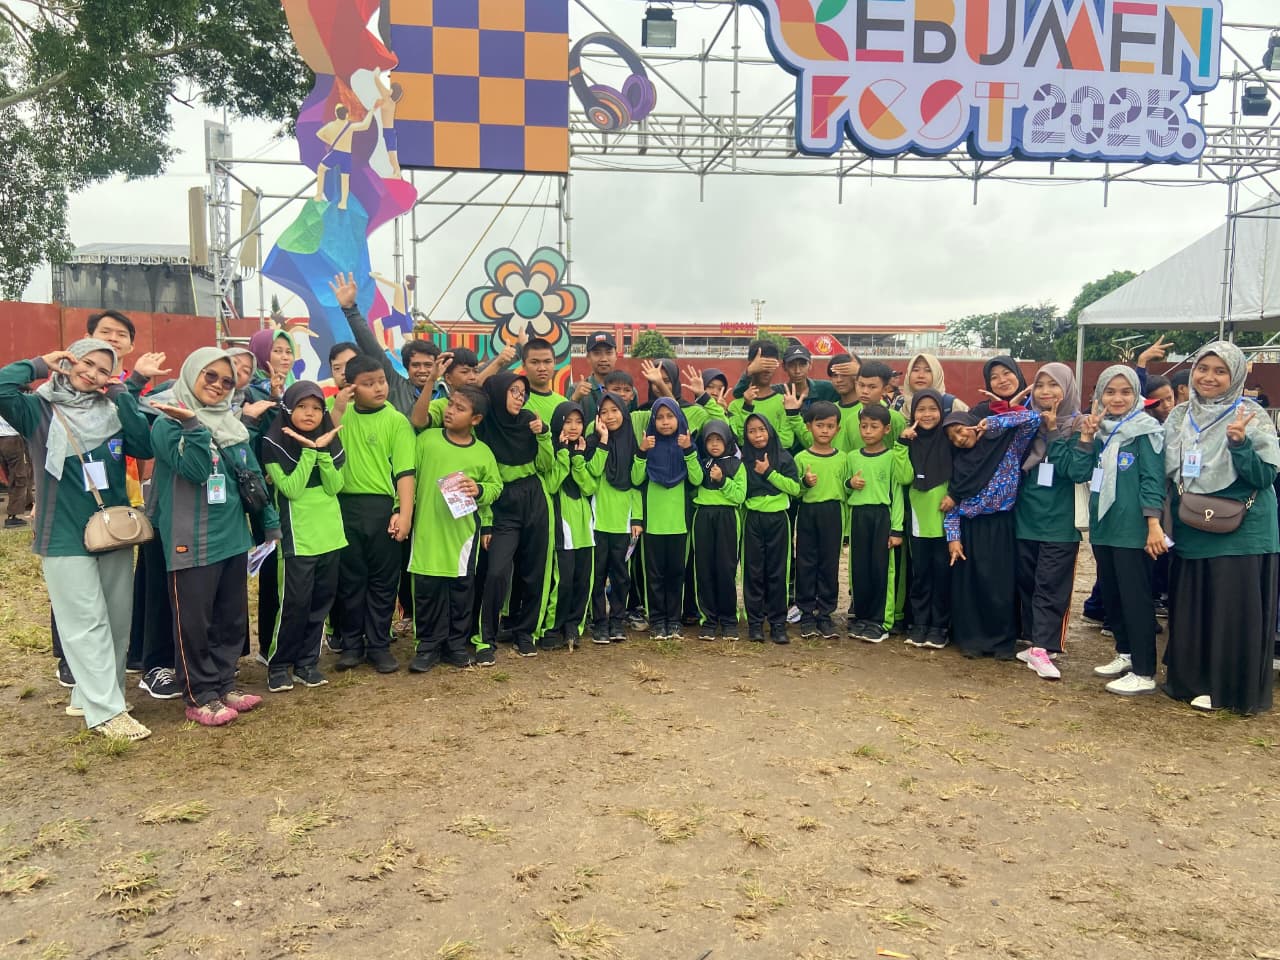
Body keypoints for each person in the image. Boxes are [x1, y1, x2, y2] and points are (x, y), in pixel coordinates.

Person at [0, 340, 154, 740]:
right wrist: (39, 363)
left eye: (104, 369)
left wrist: (122, 393)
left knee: (116, 620)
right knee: (85, 623)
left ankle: (96, 696)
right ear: (69, 360)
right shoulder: (38, 410)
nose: (93, 374)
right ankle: (107, 713)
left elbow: (143, 444)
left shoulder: (112, 411)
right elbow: (2, 388)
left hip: (113, 530)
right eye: (87, 363)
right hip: (63, 534)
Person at [149, 348, 279, 727]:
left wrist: (269, 522)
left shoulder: (231, 426)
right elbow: (195, 470)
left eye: (226, 381)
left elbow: (250, 474)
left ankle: (223, 684)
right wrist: (192, 426)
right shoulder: (168, 423)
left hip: (233, 536)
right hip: (191, 538)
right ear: (192, 373)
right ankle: (200, 695)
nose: (219, 386)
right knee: (194, 622)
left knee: (230, 619)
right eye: (210, 376)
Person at [1164, 342, 1280, 714]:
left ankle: (1225, 688)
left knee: (1231, 608)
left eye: (1220, 371)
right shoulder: (1180, 415)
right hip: (1193, 522)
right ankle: (1191, 681)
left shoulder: (1251, 414)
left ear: (1236, 376)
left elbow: (1265, 476)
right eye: (1203, 368)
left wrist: (1239, 444)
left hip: (1242, 529)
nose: (1209, 377)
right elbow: (1166, 469)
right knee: (1195, 604)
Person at [1062, 366, 1166, 696]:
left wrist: (1153, 524)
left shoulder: (1146, 431)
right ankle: (1125, 652)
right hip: (1104, 526)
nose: (1117, 398)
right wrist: (1086, 437)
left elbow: (1152, 479)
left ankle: (1144, 671)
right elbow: (1079, 472)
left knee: (1136, 599)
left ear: (1137, 395)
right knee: (1113, 594)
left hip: (1133, 528)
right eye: (1110, 392)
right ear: (1099, 396)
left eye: (1125, 392)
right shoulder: (1101, 432)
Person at [329, 354, 416, 673]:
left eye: (381, 381)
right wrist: (338, 411)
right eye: (368, 384)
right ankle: (351, 644)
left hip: (382, 509)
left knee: (383, 580)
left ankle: (379, 644)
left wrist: (404, 513)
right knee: (350, 579)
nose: (379, 388)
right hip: (344, 507)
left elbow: (405, 472)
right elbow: (324, 445)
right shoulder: (337, 412)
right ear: (351, 388)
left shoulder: (396, 421)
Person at [407, 385, 503, 672]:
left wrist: (479, 489)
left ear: (476, 419)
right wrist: (401, 511)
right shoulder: (427, 440)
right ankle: (427, 647)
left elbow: (496, 486)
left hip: (463, 536)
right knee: (427, 590)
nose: (449, 411)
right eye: (450, 404)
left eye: (459, 408)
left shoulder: (483, 452)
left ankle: (455, 645)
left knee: (461, 590)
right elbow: (408, 477)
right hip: (427, 531)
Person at [259, 382, 347, 692]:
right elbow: (291, 489)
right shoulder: (273, 443)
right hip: (297, 537)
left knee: (321, 603)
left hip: (331, 535)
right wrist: (310, 451)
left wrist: (322, 452)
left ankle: (307, 663)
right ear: (288, 409)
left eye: (316, 408)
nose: (310, 413)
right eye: (301, 407)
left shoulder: (331, 441)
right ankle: (279, 665)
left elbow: (335, 486)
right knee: (293, 604)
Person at [944, 400, 1039, 659]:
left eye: (960, 430)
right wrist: (953, 538)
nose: (959, 439)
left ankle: (1001, 642)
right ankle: (972, 640)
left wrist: (993, 423)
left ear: (972, 424)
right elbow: (951, 504)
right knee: (971, 587)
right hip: (970, 529)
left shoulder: (1007, 447)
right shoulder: (957, 464)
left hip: (1001, 525)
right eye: (952, 438)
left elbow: (1033, 419)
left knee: (1000, 585)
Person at [474, 372, 554, 661]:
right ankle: (485, 639)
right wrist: (486, 521)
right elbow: (483, 476)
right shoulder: (484, 428)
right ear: (497, 393)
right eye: (514, 391)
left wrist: (543, 434)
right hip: (501, 501)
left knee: (533, 570)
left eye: (523, 393)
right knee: (496, 571)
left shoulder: (528, 422)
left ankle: (525, 633)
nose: (520, 398)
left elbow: (546, 465)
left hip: (533, 497)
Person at [1014, 364, 1083, 681]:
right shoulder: (1027, 423)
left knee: (1051, 586)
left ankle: (1044, 646)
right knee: (1028, 583)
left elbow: (1074, 470)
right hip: (1026, 517)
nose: (1046, 391)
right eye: (1039, 385)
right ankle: (1033, 641)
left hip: (1060, 522)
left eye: (1054, 385)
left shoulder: (1080, 425)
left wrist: (1053, 430)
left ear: (1067, 389)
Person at [632, 397, 702, 641]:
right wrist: (642, 451)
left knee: (676, 575)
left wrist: (689, 450)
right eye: (659, 417)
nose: (664, 422)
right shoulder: (648, 447)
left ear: (679, 419)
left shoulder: (686, 447)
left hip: (679, 525)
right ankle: (657, 621)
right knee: (654, 576)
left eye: (670, 416)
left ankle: (673, 621)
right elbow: (636, 479)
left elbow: (696, 479)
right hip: (653, 526)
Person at [845, 405, 910, 642]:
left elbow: (897, 493)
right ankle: (862, 617)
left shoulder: (891, 457)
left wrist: (896, 529)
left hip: (883, 516)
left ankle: (881, 621)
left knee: (882, 569)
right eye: (864, 426)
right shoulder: (852, 457)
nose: (868, 431)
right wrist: (850, 484)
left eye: (874, 426)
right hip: (859, 516)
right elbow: (845, 489)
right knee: (860, 569)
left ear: (886, 429)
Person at [587, 391, 643, 644]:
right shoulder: (593, 442)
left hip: (623, 522)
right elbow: (592, 472)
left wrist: (637, 519)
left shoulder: (632, 443)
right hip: (598, 521)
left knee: (621, 576)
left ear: (624, 412)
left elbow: (637, 482)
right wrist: (603, 440)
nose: (610, 416)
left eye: (614, 411)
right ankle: (600, 622)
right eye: (604, 412)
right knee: (597, 575)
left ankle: (617, 621)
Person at [740, 412, 801, 643]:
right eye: (751, 431)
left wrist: (768, 472)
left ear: (770, 430)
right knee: (753, 572)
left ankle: (777, 624)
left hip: (778, 519)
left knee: (778, 572)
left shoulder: (783, 457)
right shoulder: (743, 460)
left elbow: (795, 489)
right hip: (753, 519)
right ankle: (755, 624)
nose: (758, 435)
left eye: (762, 429)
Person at [898, 389, 952, 649]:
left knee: (942, 575)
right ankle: (920, 624)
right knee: (921, 574)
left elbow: (961, 471)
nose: (927, 414)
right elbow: (904, 477)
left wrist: (954, 495)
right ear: (912, 413)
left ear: (942, 411)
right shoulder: (910, 441)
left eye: (933, 409)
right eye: (921, 409)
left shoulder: (949, 439)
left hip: (945, 519)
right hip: (919, 520)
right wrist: (902, 444)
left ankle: (939, 627)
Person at [543, 401, 597, 650]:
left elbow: (589, 487)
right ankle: (552, 628)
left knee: (582, 581)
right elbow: (552, 485)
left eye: (578, 422)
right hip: (562, 527)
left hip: (584, 528)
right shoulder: (551, 451)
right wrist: (564, 454)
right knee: (562, 581)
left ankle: (573, 626)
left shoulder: (582, 451)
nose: (574, 427)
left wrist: (577, 458)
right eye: (568, 422)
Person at [793, 401, 849, 639]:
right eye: (819, 425)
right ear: (809, 427)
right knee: (806, 563)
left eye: (830, 426)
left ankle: (825, 614)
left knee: (829, 563)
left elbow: (846, 490)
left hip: (832, 513)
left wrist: (852, 484)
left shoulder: (843, 458)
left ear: (837, 429)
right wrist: (805, 483)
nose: (825, 430)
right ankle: (806, 614)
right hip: (808, 512)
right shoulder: (801, 457)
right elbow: (795, 491)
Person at [691, 420, 746, 640]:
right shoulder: (701, 463)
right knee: (704, 569)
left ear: (727, 440)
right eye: (710, 440)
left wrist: (722, 480)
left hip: (727, 517)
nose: (714, 444)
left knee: (726, 569)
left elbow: (740, 496)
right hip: (704, 516)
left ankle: (729, 620)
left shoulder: (737, 465)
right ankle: (709, 620)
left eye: (719, 439)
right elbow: (693, 483)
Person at [314, 101, 381, 210]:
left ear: (336, 114)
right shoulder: (349, 126)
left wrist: (330, 141)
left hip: (336, 153)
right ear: (346, 115)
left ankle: (318, 195)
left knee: (321, 169)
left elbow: (319, 134)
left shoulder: (331, 125)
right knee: (345, 179)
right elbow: (365, 126)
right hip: (346, 155)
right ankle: (343, 203)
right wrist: (372, 111)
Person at [834, 361, 908, 453]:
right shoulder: (851, 420)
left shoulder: (895, 419)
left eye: (872, 387)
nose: (865, 391)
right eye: (861, 385)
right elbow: (846, 453)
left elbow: (903, 451)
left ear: (885, 390)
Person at [895, 353, 970, 417]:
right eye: (915, 370)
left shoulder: (953, 406)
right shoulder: (898, 403)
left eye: (928, 370)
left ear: (937, 375)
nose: (921, 375)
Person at [569, 331, 619, 423]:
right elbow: (565, 421)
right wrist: (575, 398)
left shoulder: (627, 390)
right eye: (597, 353)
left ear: (616, 355)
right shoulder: (576, 390)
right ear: (588, 357)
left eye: (608, 353)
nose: (604, 359)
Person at [0, 413, 32, 526]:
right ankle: (13, 515)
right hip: (12, 438)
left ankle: (27, 501)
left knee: (12, 475)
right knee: (19, 477)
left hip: (3, 438)